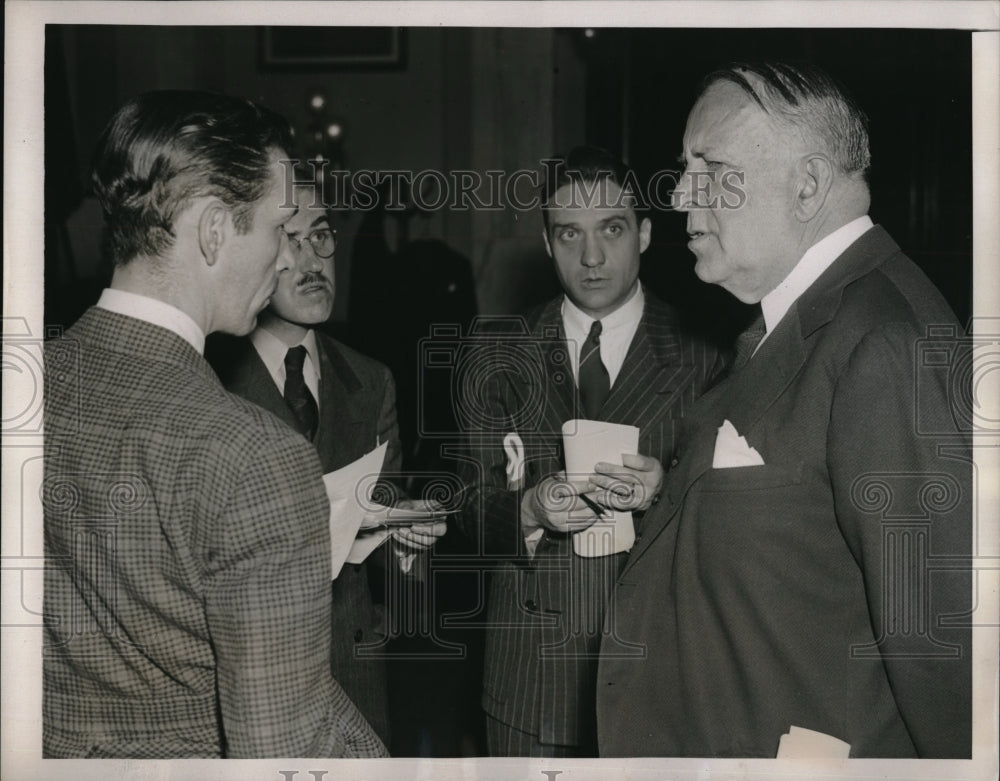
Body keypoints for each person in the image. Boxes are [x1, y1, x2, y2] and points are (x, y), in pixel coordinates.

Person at [596, 62, 972, 758]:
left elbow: (948, 666)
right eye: (684, 169)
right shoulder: (801, 320)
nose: (680, 194)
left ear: (808, 184)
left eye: (709, 168)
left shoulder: (886, 342)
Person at [42, 91, 387, 758]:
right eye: (278, 228)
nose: (289, 261)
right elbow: (282, 757)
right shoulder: (254, 454)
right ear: (213, 231)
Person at [455, 146, 722, 757]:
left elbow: (730, 525)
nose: (592, 257)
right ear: (547, 244)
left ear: (646, 234)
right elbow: (465, 506)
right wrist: (527, 511)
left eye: (612, 229)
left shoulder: (707, 355)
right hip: (530, 683)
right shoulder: (497, 351)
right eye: (570, 234)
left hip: (660, 675)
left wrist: (667, 489)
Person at [209, 181, 447, 746]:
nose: (311, 260)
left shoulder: (371, 382)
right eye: (289, 239)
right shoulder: (208, 381)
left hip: (354, 681)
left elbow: (392, 572)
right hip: (243, 685)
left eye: (320, 236)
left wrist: (408, 540)